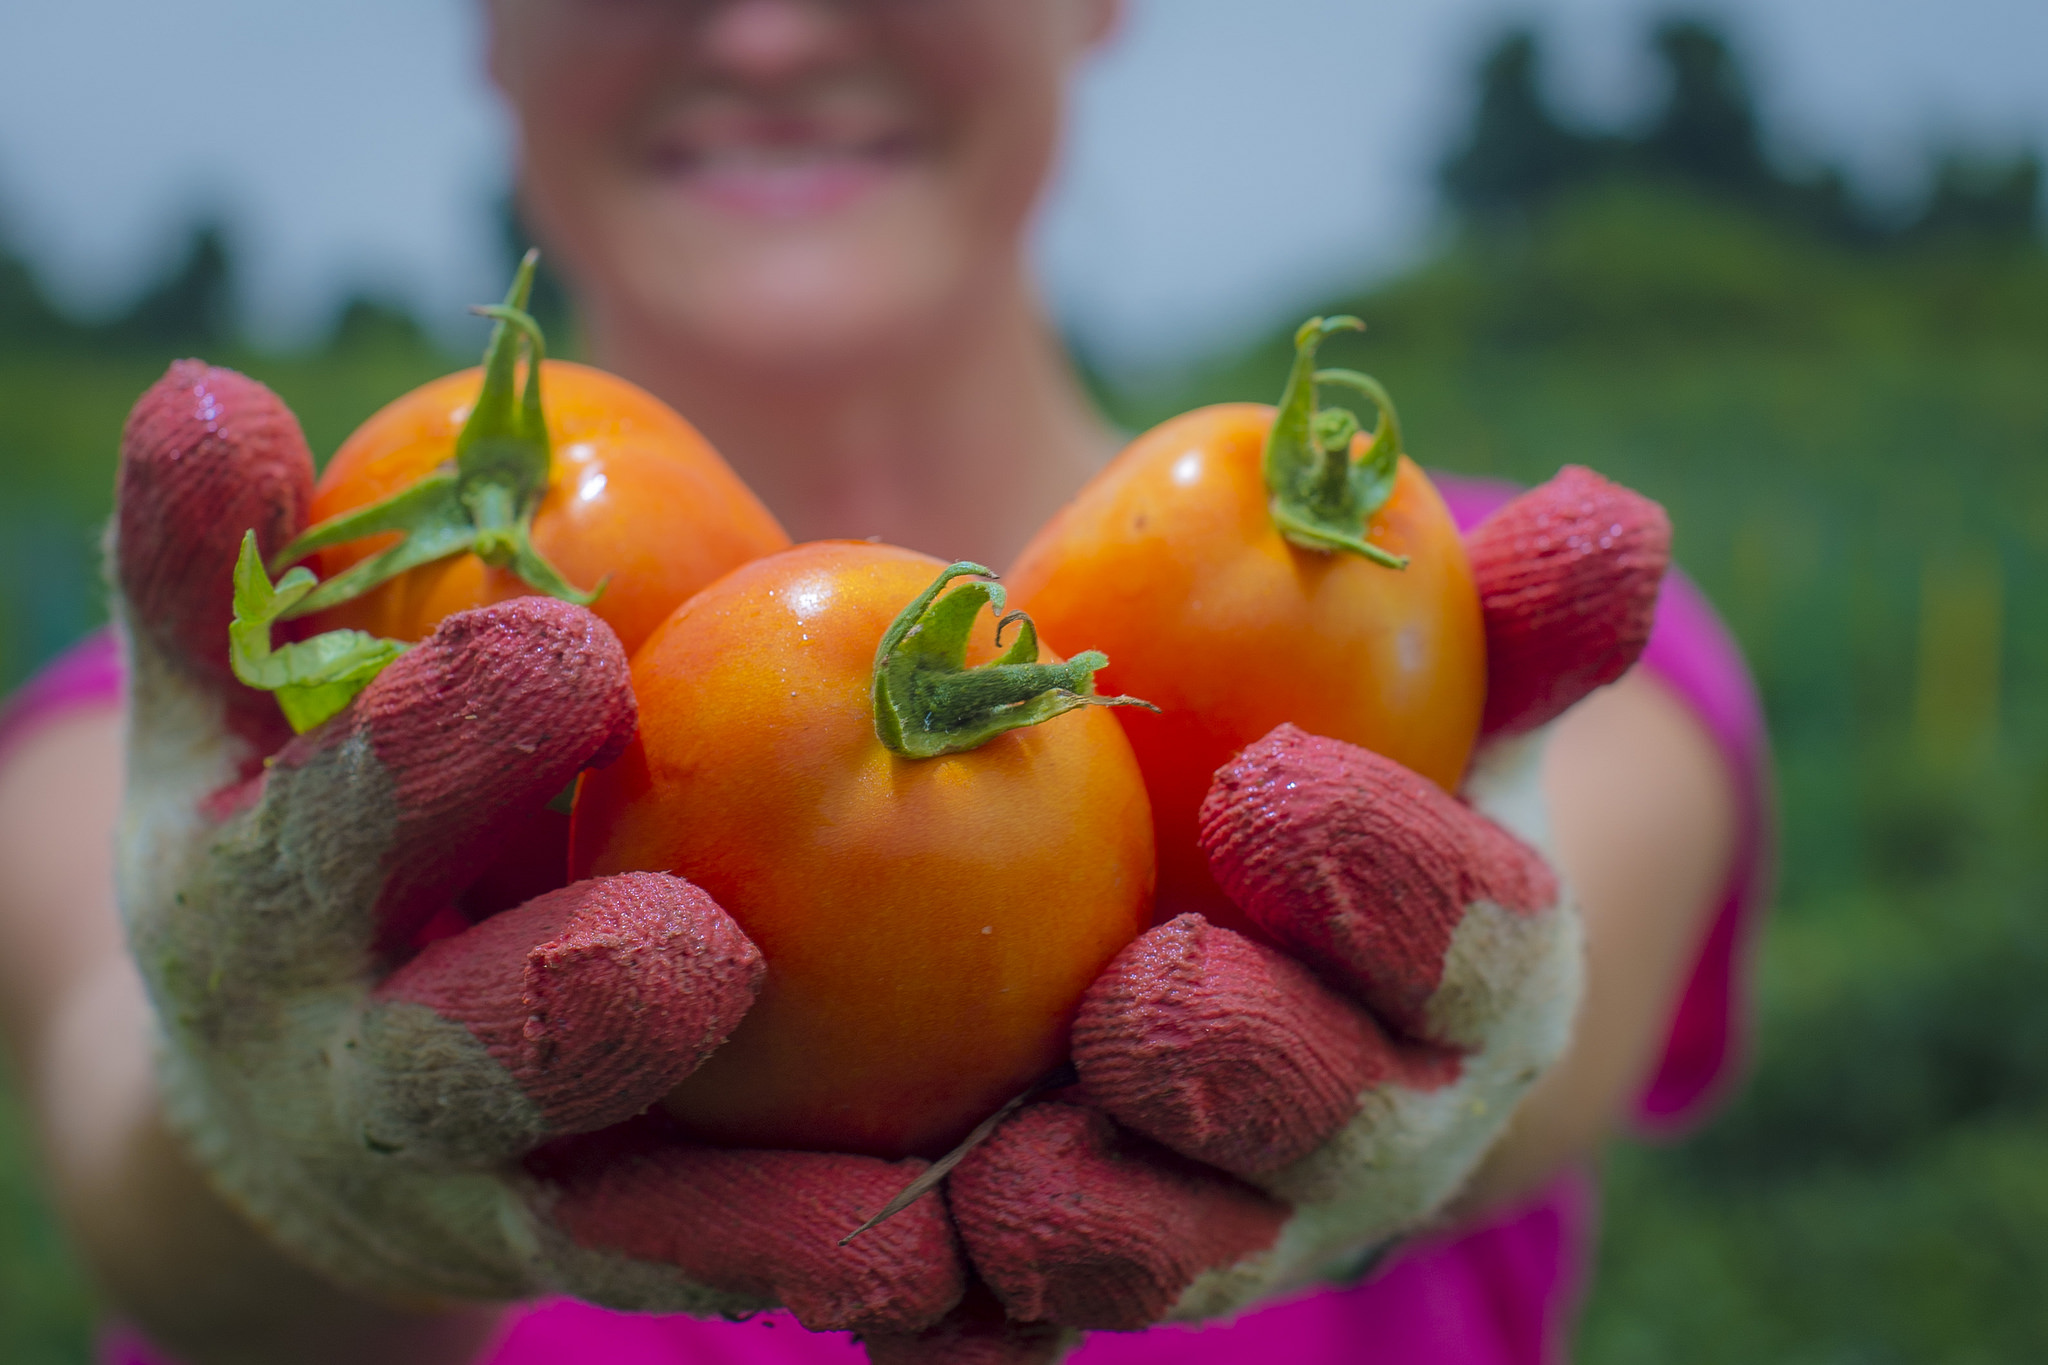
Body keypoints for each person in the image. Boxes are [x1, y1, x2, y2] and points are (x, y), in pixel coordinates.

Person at [0, 2, 1769, 1362]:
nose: (766, 32)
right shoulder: (180, 761)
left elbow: (1555, 1038)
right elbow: (127, 1173)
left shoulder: (1517, 667)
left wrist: (1469, 1066)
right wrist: (279, 1167)